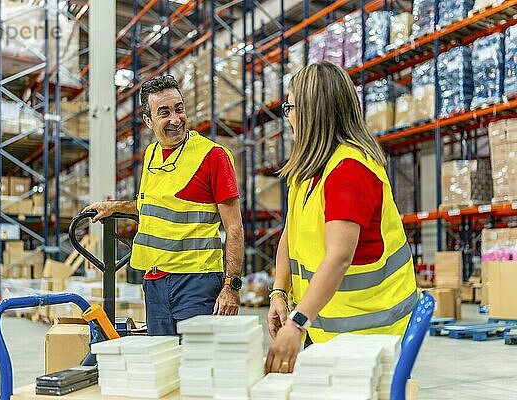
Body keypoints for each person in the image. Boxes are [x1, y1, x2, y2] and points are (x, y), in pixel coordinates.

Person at [264, 62, 417, 373]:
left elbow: (338, 258)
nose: (288, 116)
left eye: (290, 107)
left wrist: (297, 323)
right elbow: (290, 235)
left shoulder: (349, 170)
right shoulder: (307, 172)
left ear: (310, 111)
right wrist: (279, 291)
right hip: (327, 328)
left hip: (371, 332)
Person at [84, 75, 244, 336]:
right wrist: (116, 207)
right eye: (164, 113)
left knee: (196, 366)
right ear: (148, 121)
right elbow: (153, 204)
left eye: (179, 109)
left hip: (197, 282)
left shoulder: (213, 156)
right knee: (162, 363)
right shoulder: (151, 154)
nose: (175, 119)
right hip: (154, 282)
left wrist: (231, 286)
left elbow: (234, 227)